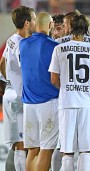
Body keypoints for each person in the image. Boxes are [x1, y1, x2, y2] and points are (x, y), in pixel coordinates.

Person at [49, 14, 90, 171]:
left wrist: (68, 88)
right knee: (86, 150)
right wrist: (88, 90)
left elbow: (54, 79)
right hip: (87, 104)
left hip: (67, 103)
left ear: (70, 27)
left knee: (67, 150)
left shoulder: (59, 48)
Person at [19, 12, 58, 171]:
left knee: (32, 150)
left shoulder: (23, 44)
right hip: (47, 103)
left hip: (28, 103)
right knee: (46, 150)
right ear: (50, 25)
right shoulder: (54, 47)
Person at [0, 6, 36, 171]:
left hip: (10, 94)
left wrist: (8, 82)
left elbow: (2, 64)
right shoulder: (23, 44)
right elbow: (27, 67)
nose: (35, 23)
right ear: (27, 22)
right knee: (22, 144)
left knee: (17, 143)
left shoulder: (11, 40)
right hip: (20, 97)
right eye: (34, 19)